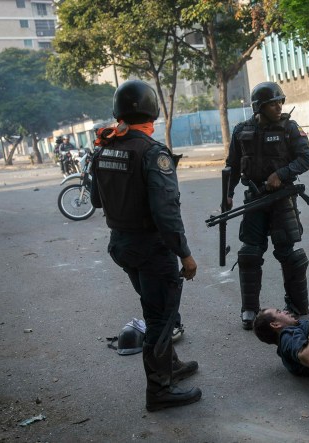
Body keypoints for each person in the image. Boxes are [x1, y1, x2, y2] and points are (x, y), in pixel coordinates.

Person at [89, 79, 200, 411]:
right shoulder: (152, 152)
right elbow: (166, 212)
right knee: (161, 318)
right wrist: (185, 254)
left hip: (121, 246)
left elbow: (96, 199)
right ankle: (159, 390)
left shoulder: (104, 149)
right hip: (152, 250)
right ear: (151, 111)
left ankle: (172, 366)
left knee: (155, 308)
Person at [225, 81, 309, 330]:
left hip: (281, 200)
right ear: (258, 107)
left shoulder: (289, 128)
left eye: (280, 102)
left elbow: (306, 158)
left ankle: (298, 309)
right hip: (255, 200)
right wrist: (228, 193)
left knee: (289, 255)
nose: (278, 106)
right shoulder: (241, 131)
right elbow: (232, 165)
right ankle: (250, 309)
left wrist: (282, 174)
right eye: (272, 103)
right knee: (249, 254)